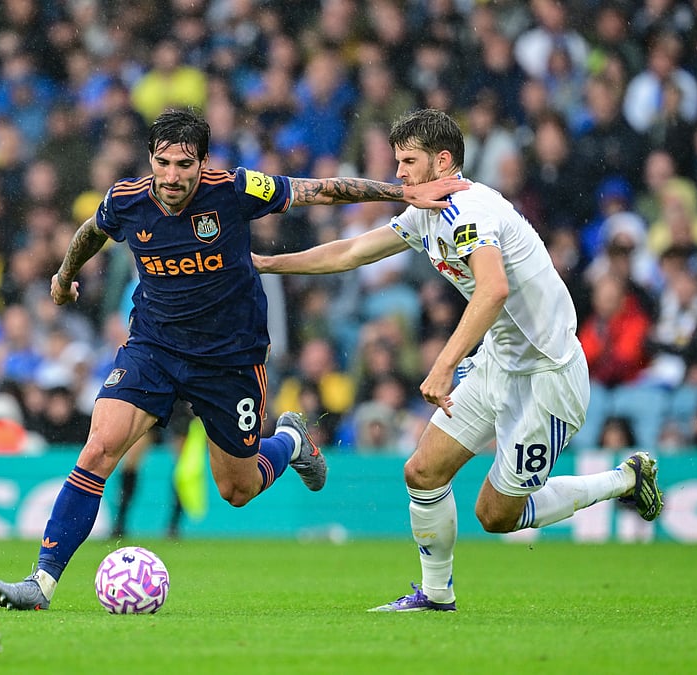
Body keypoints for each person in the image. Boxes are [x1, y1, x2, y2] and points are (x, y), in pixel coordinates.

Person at [0, 107, 465, 611]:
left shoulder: (236, 189)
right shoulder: (126, 200)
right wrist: (63, 277)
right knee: (98, 448)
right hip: (154, 348)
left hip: (229, 359)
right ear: (150, 159)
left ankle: (290, 440)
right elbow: (91, 231)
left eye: (184, 165)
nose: (172, 177)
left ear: (203, 162)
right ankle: (41, 584)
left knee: (237, 489)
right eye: (163, 163)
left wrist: (404, 193)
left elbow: (322, 188)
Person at [253, 108, 665, 612]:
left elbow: (493, 288)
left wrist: (445, 362)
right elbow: (353, 251)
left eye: (408, 161)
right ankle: (435, 594)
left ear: (443, 161)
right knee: (422, 471)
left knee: (496, 515)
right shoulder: (424, 211)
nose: (398, 173)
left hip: (546, 375)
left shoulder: (468, 210)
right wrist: (269, 264)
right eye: (396, 161)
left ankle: (626, 478)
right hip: (498, 361)